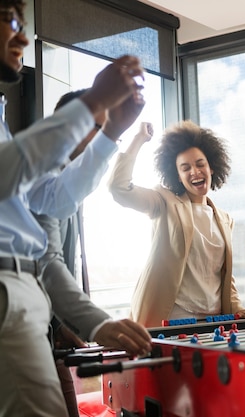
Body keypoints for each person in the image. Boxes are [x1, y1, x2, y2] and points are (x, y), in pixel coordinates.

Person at [0, 2, 152, 416]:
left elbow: (51, 199)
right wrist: (92, 104)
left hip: (25, 294)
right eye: (10, 20)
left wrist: (112, 132)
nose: (23, 37)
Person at [109, 120, 245, 327]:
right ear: (178, 177)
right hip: (174, 319)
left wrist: (239, 309)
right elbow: (118, 188)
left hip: (214, 321)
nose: (195, 171)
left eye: (200, 164)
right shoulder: (163, 202)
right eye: (185, 168)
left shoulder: (225, 219)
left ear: (211, 167)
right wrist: (138, 139)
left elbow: (224, 277)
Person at [32, 88, 130, 417]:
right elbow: (45, 266)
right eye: (96, 128)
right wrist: (91, 325)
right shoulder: (41, 175)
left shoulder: (67, 183)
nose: (99, 140)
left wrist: (64, 325)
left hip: (47, 328)